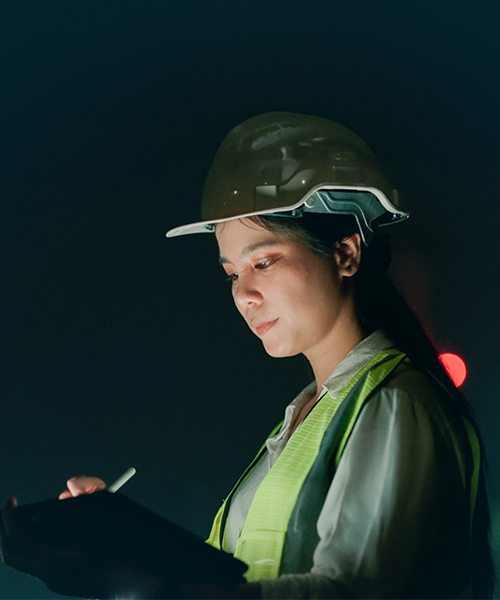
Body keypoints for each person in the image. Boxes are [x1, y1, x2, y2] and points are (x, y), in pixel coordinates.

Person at [1, 112, 494, 599]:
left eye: (264, 261)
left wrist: (158, 587)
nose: (244, 294)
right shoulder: (300, 425)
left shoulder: (395, 405)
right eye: (232, 273)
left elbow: (357, 592)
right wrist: (122, 543)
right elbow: (238, 579)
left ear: (345, 253)